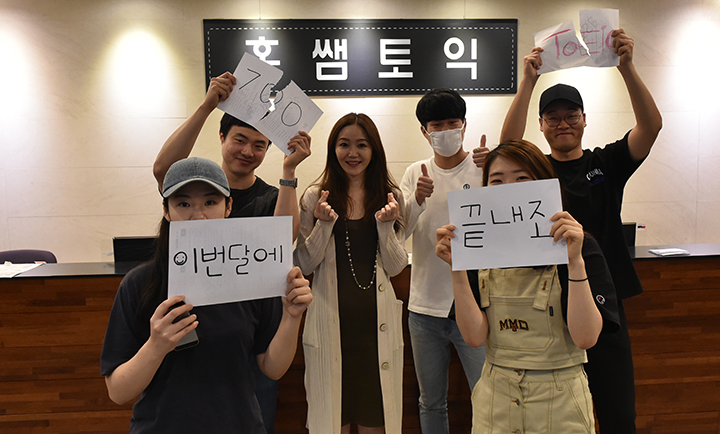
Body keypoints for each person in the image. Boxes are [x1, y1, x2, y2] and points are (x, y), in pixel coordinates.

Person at [493, 29, 662, 433]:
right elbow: (507, 147)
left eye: (571, 115)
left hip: (604, 297)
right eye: (553, 118)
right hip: (549, 302)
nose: (563, 124)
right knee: (563, 416)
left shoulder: (607, 163)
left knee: (618, 414)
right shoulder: (534, 171)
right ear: (541, 124)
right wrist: (528, 81)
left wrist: (627, 67)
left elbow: (651, 126)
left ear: (584, 120)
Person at [101, 157, 312, 433]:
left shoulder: (252, 274)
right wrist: (156, 346)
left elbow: (272, 368)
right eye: (183, 204)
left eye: (210, 202)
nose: (198, 216)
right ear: (166, 211)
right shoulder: (140, 283)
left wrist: (292, 316)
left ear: (228, 207)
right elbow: (118, 391)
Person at [152, 71, 312, 433]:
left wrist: (289, 169)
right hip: (189, 334)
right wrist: (208, 105)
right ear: (222, 137)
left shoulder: (272, 197)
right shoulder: (193, 185)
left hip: (248, 337)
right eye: (240, 139)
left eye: (259, 145)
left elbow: (284, 237)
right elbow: (162, 170)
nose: (248, 151)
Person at [437, 139, 620, 433]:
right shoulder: (478, 250)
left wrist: (575, 262)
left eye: (522, 178)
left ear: (544, 183)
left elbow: (586, 337)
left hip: (560, 403)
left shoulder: (578, 246)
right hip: (495, 401)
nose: (509, 189)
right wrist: (456, 267)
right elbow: (474, 337)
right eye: (497, 181)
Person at [294, 113, 408, 434]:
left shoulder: (391, 196)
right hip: (331, 326)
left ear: (374, 150)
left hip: (376, 332)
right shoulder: (316, 195)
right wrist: (323, 224)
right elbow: (305, 263)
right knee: (331, 422)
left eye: (362, 145)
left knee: (377, 420)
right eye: (344, 144)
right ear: (333, 149)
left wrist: (385, 227)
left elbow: (396, 266)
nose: (353, 153)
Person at [399, 88, 487, 433]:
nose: (446, 130)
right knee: (430, 401)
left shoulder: (484, 167)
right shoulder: (414, 173)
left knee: (487, 395)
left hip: (476, 305)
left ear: (464, 124)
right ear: (425, 131)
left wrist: (495, 174)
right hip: (424, 308)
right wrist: (417, 200)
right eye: (437, 125)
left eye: (453, 122)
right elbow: (398, 235)